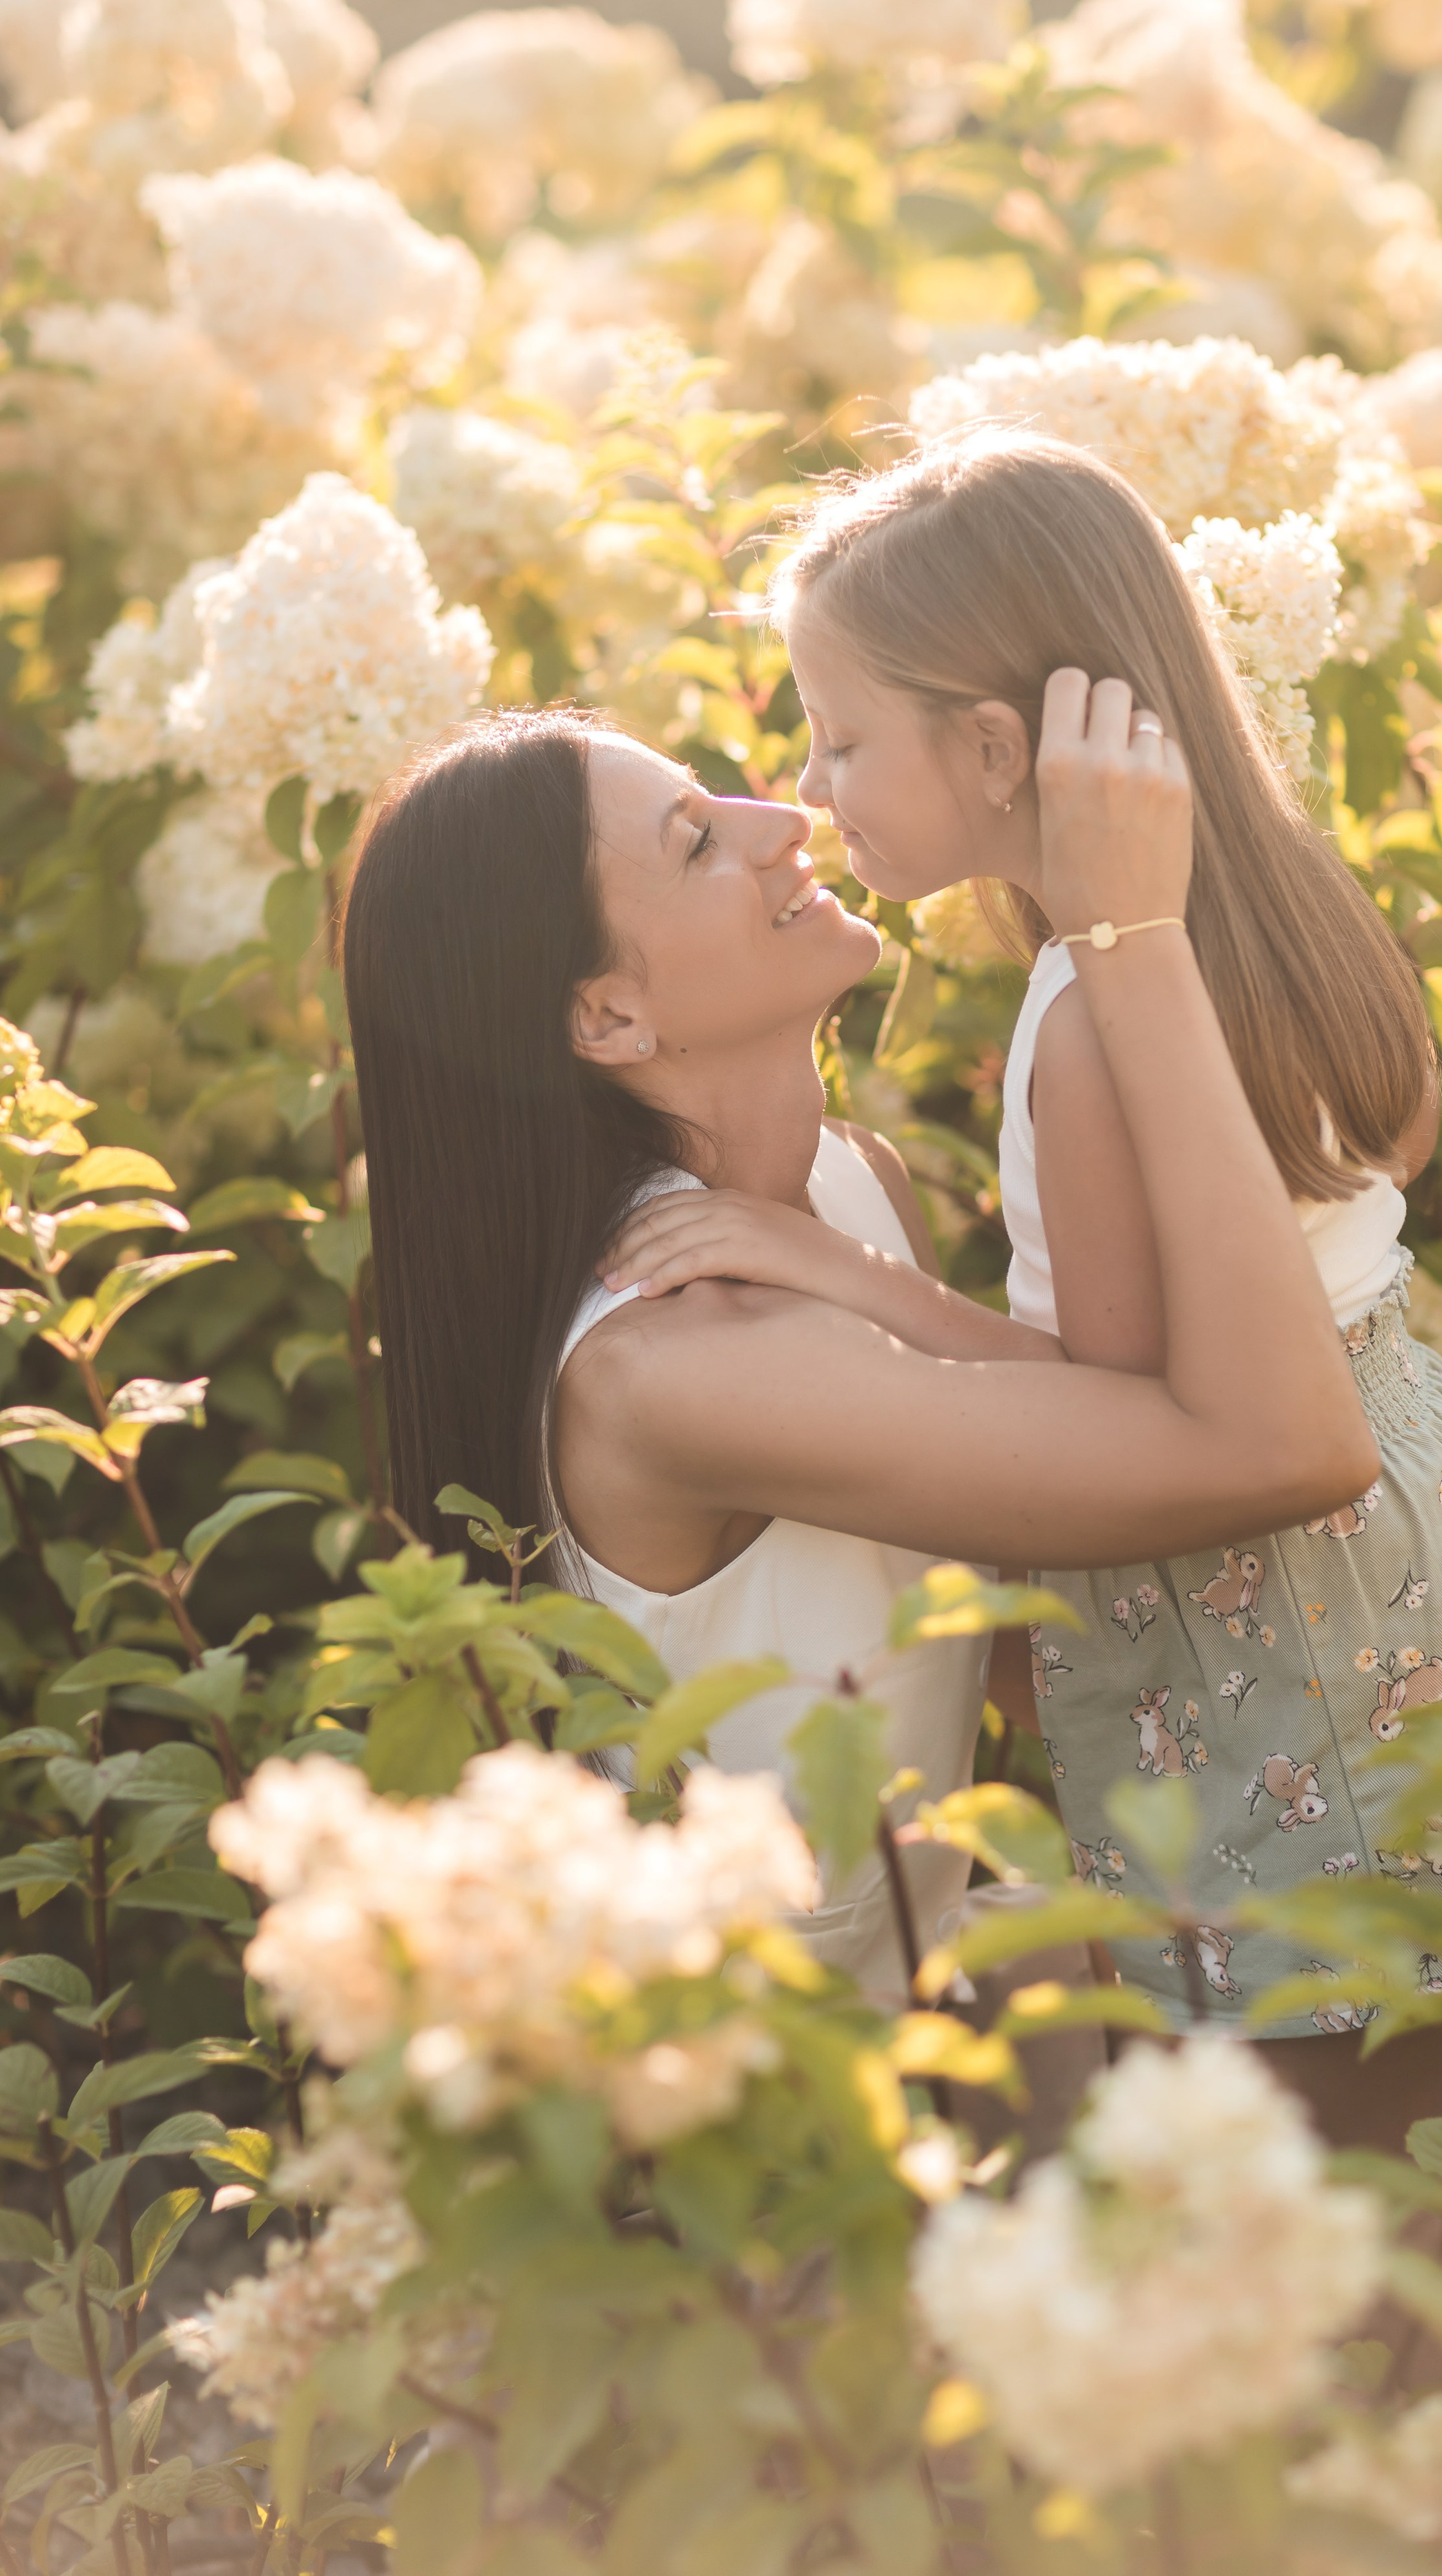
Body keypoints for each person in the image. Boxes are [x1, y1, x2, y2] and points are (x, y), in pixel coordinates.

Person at [608, 435, 1442, 2144]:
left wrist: (846, 1275)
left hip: (1274, 1636)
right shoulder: (1282, 902)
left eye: (840, 737)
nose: (810, 785)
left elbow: (1124, 1409)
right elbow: (1394, 1154)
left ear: (996, 752)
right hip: (1428, 1542)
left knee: (1304, 2140)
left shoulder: (1090, 1018)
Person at [340, 678, 1376, 2005]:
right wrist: (1131, 932)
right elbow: (1287, 1446)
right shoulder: (683, 1360)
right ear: (607, 1018)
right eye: (698, 841)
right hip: (750, 2084)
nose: (783, 820)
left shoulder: (849, 1186)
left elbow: (1000, 1609)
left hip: (916, 1996)